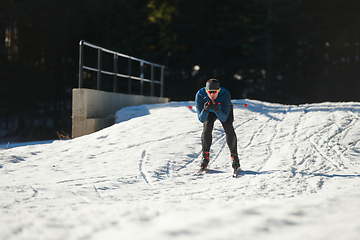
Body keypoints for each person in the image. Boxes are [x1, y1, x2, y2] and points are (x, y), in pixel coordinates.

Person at [195, 79, 240, 170]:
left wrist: (217, 110)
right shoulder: (200, 94)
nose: (212, 95)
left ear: (219, 90)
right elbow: (201, 119)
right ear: (206, 91)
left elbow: (224, 118)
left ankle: (234, 156)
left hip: (222, 111)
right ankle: (205, 156)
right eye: (209, 92)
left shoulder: (225, 94)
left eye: (214, 92)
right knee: (207, 127)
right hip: (209, 112)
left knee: (228, 128)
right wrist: (205, 110)